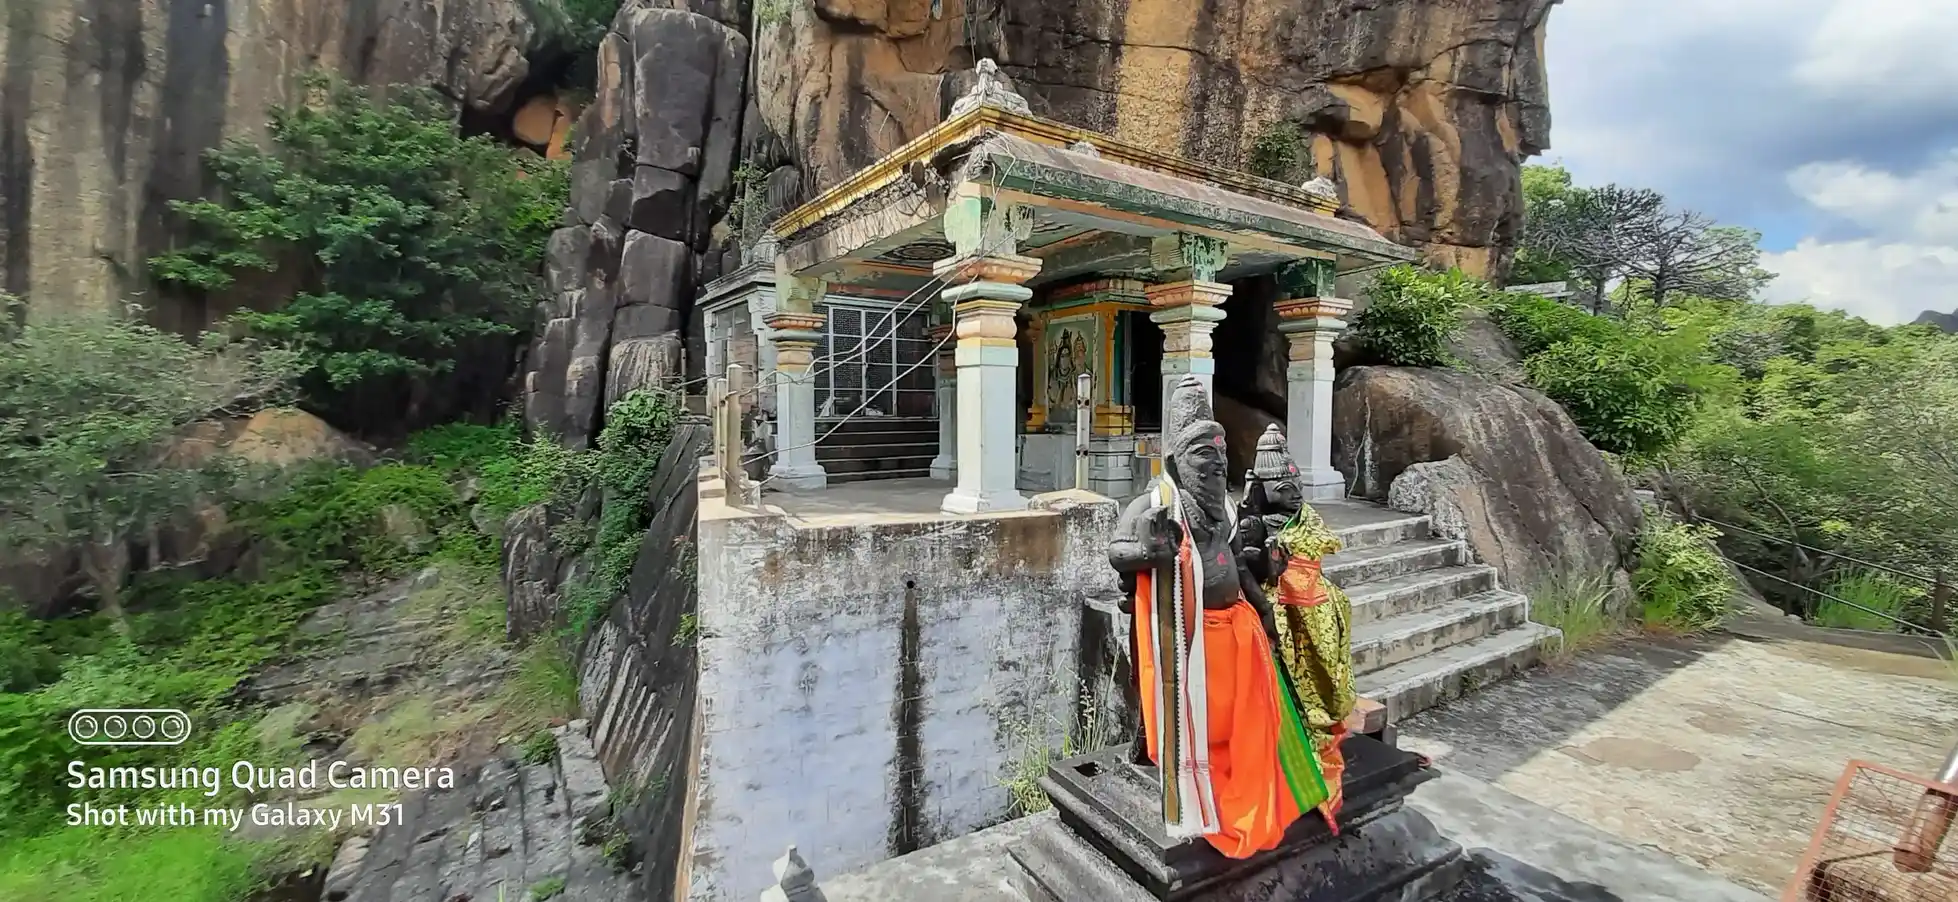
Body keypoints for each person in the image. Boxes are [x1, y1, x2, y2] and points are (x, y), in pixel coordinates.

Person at [1108, 378, 1327, 858]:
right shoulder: (1154, 508)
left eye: (1220, 466)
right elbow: (1118, 551)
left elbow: (1236, 565)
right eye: (1203, 465)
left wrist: (1264, 608)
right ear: (1175, 465)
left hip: (1233, 627)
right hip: (1184, 635)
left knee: (1235, 715)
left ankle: (1228, 762)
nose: (1214, 474)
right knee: (1179, 707)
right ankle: (1180, 761)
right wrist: (1148, 549)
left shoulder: (1224, 509)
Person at [1238, 424, 1355, 832]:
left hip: (1315, 611)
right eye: (1282, 485)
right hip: (1277, 613)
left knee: (1324, 683)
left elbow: (1322, 545)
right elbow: (1252, 566)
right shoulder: (1254, 523)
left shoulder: (1306, 518)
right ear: (1261, 486)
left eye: (1295, 482)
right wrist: (1263, 554)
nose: (1293, 490)